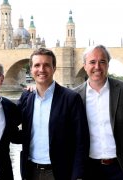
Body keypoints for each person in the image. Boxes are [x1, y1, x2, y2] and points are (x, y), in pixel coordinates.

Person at [73, 45, 123, 180]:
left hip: (120, 169)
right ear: (84, 66)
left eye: (102, 61)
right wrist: (33, 91)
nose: (97, 66)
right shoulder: (74, 96)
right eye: (92, 62)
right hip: (87, 169)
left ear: (108, 65)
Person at [17, 48, 90, 180]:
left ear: (54, 68)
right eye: (37, 65)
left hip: (59, 172)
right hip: (30, 170)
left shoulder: (70, 98)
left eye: (46, 65)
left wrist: (78, 175)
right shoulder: (26, 97)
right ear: (31, 69)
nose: (41, 69)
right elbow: (9, 123)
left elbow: (81, 140)